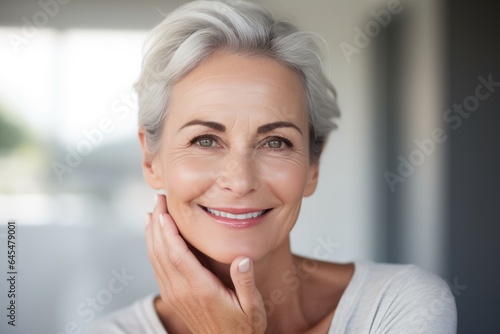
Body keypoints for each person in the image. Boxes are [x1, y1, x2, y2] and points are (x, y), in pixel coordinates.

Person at [86, 0, 457, 333]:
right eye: (205, 141)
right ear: (151, 160)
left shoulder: (399, 306)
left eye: (275, 142)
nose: (241, 180)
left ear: (313, 166)